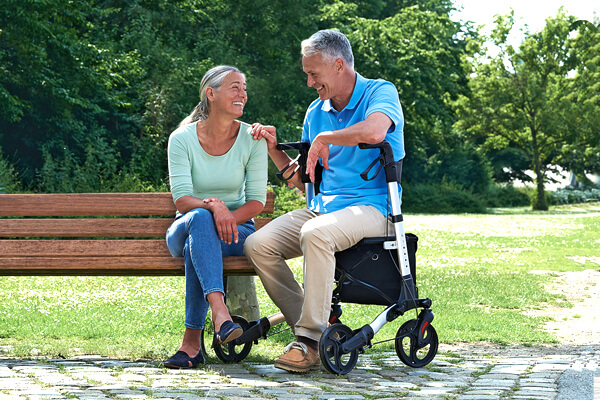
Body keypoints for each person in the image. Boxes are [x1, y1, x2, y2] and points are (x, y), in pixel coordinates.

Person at [245, 29, 405, 373]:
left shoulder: (380, 92)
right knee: (258, 244)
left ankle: (309, 341)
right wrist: (275, 151)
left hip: (374, 207)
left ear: (337, 65)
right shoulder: (315, 111)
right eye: (306, 73)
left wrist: (325, 138)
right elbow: (305, 184)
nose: (308, 82)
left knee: (316, 233)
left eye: (313, 73)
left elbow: (376, 131)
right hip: (321, 208)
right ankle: (312, 323)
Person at [164, 65, 268, 369]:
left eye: (244, 88)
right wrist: (215, 207)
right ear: (211, 93)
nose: (243, 94)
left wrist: (227, 218)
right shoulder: (181, 138)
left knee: (198, 247)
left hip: (236, 232)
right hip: (184, 226)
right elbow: (182, 200)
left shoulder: (253, 138)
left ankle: (191, 345)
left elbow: (257, 202)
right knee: (199, 220)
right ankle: (221, 313)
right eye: (234, 87)